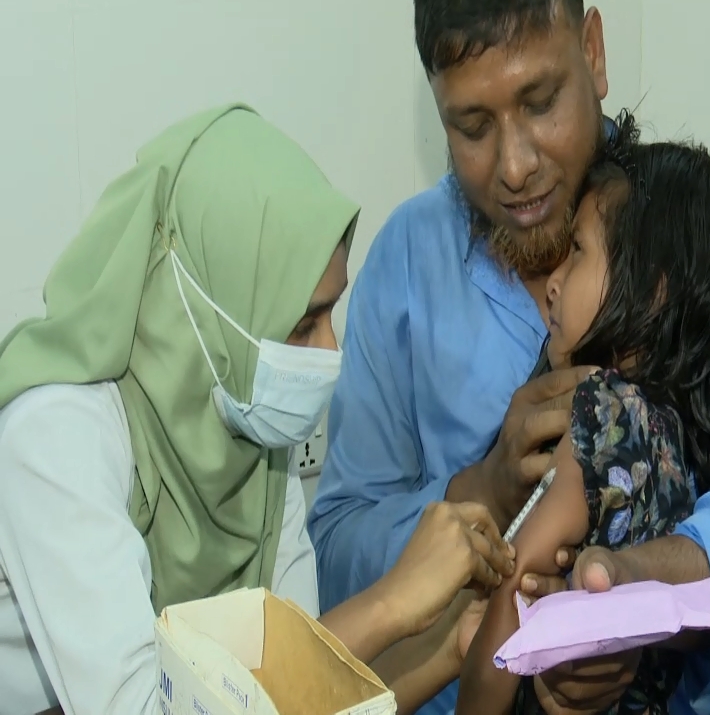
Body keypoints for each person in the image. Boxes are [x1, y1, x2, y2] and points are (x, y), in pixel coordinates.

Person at [309, 0, 710, 713]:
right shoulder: (405, 261)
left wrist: (638, 603)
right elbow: (339, 555)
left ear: (593, 52)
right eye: (473, 127)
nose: (515, 166)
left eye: (540, 101)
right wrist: (483, 490)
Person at [0, 104, 515, 715]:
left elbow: (296, 700)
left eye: (330, 315)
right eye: (301, 325)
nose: (330, 352)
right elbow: (148, 706)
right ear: (207, 314)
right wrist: (390, 603)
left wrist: (449, 646)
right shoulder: (56, 436)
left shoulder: (250, 433)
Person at [456, 112, 710, 715]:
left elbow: (514, 593)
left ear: (652, 290)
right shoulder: (680, 436)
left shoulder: (599, 414)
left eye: (578, 252)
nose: (553, 283)